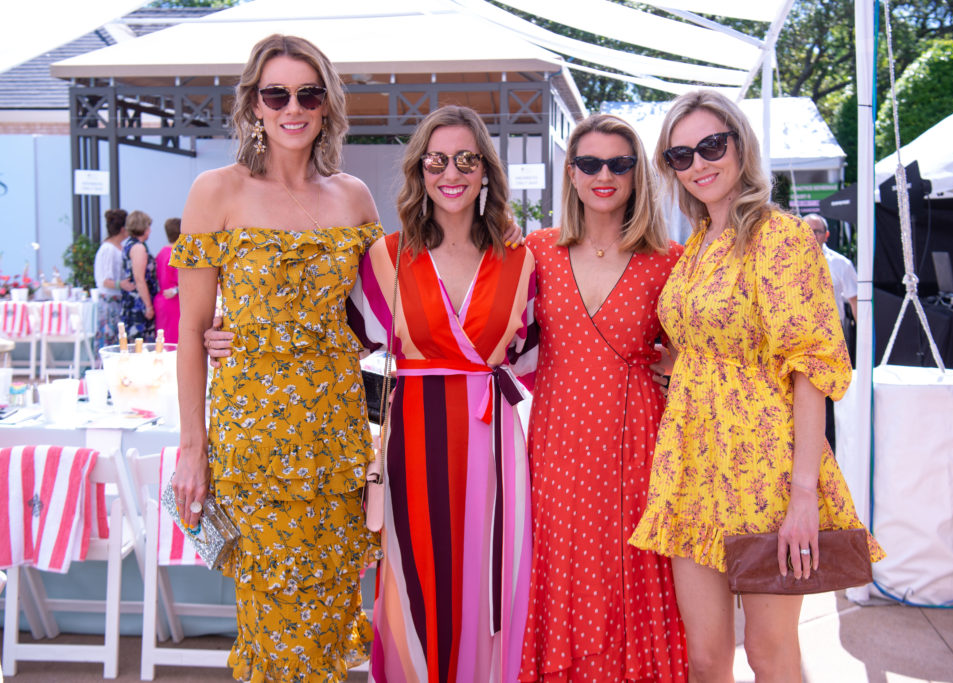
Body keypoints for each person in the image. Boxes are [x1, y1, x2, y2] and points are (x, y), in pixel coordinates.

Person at [629, 90, 884, 681]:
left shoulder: (782, 237)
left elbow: (810, 366)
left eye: (712, 145)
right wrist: (678, 363)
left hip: (765, 469)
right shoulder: (695, 247)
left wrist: (802, 498)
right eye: (681, 155)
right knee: (706, 659)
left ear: (741, 145)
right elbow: (724, 346)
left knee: (770, 654)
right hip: (693, 465)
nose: (699, 164)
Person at [170, 34, 383, 681]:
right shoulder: (216, 192)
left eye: (308, 93)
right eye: (277, 93)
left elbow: (393, 318)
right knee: (270, 617)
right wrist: (191, 448)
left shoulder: (354, 198)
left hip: (336, 444)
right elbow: (191, 331)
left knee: (329, 615)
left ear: (327, 105)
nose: (293, 106)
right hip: (252, 445)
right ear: (254, 106)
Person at [347, 104, 537, 683]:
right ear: (420, 170)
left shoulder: (521, 259)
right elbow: (336, 340)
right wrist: (227, 334)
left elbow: (535, 356)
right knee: (417, 579)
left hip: (495, 443)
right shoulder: (387, 256)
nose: (450, 173)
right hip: (414, 445)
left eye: (465, 159)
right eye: (437, 160)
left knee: (492, 578)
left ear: (485, 171)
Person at [519, 113, 688, 681]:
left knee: (634, 575)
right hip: (559, 446)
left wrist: (669, 364)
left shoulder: (669, 259)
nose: (604, 175)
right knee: (564, 572)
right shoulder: (534, 251)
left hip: (638, 443)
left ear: (638, 173)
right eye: (589, 163)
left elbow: (698, 353)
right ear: (570, 173)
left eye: (619, 163)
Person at [805, 212, 857, 449]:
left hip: (832, 339)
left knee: (831, 397)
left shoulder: (841, 264)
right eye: (807, 229)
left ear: (826, 235)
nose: (811, 235)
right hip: (801, 341)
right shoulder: (785, 262)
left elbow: (854, 302)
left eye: (816, 231)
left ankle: (833, 449)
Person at [121, 209, 158, 342]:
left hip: (133, 300)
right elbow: (139, 278)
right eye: (148, 227)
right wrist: (148, 306)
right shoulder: (138, 248)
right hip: (139, 303)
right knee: (140, 344)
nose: (150, 231)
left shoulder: (128, 245)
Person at [93, 208, 127, 349]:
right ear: (123, 229)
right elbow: (104, 280)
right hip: (109, 302)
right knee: (110, 340)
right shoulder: (107, 249)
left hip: (118, 301)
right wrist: (122, 284)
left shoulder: (119, 247)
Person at [154, 217, 182, 343]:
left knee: (163, 341)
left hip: (161, 299)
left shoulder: (161, 252)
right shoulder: (177, 254)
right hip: (174, 301)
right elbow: (182, 280)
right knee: (174, 341)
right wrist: (177, 289)